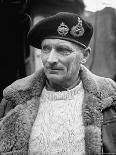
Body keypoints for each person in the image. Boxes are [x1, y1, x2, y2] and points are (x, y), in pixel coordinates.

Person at [0, 12, 116, 155]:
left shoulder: (110, 99)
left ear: (85, 55)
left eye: (63, 50)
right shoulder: (15, 98)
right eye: (45, 49)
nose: (50, 59)